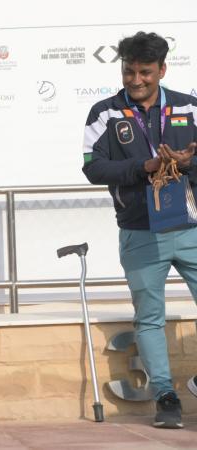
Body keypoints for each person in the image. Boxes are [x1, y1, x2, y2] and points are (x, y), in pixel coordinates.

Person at [82, 31, 197, 429]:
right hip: (140, 231)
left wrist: (186, 163)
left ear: (162, 70)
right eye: (129, 71)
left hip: (191, 228)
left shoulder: (189, 107)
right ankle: (166, 397)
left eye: (145, 72)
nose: (135, 80)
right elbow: (93, 168)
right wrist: (143, 167)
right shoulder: (104, 113)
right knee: (149, 317)